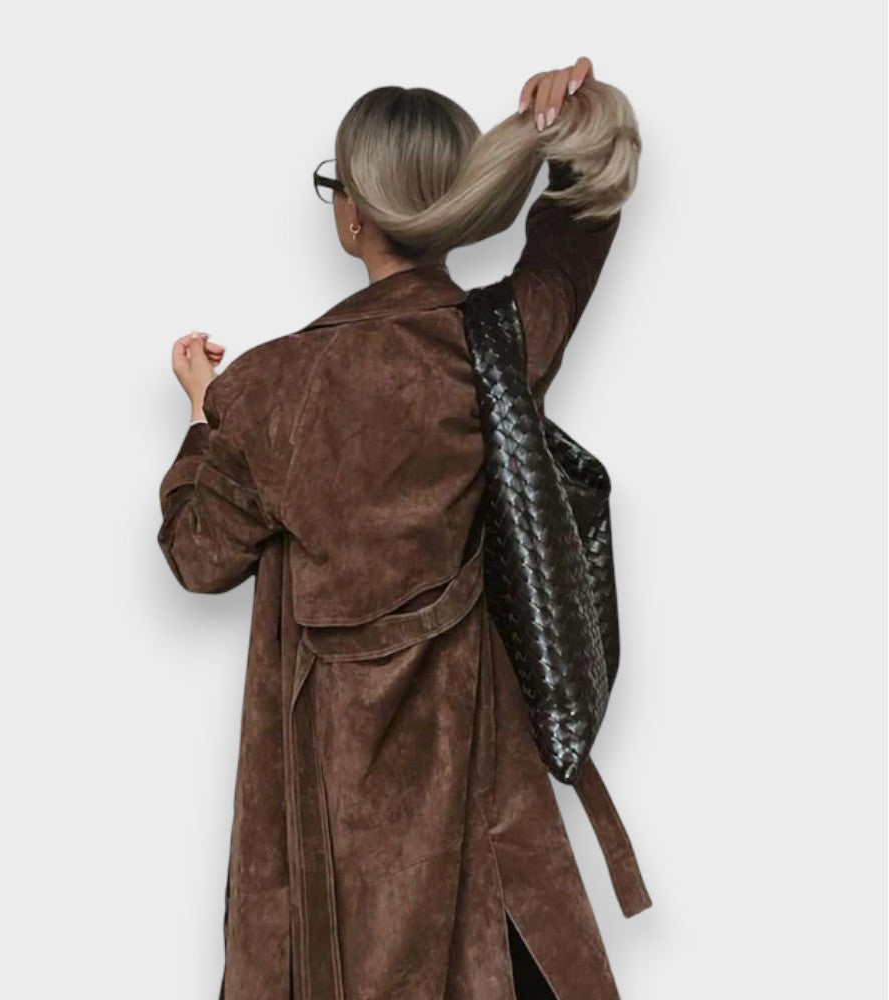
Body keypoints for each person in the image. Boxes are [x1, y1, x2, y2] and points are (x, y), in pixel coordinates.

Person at [158, 59, 650, 1000]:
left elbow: (197, 556)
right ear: (457, 206)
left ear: (354, 214)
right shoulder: (499, 341)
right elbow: (583, 219)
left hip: (320, 822)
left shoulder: (268, 389)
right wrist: (571, 115)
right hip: (480, 792)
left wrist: (200, 415)